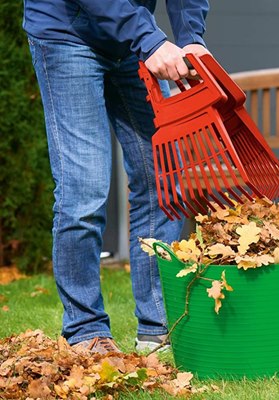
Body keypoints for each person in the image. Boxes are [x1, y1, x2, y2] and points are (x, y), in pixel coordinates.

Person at [23, 0, 210, 353]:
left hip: (130, 39)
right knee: (85, 190)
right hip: (67, 33)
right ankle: (85, 329)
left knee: (162, 181)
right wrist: (150, 39)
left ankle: (156, 330)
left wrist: (191, 37)